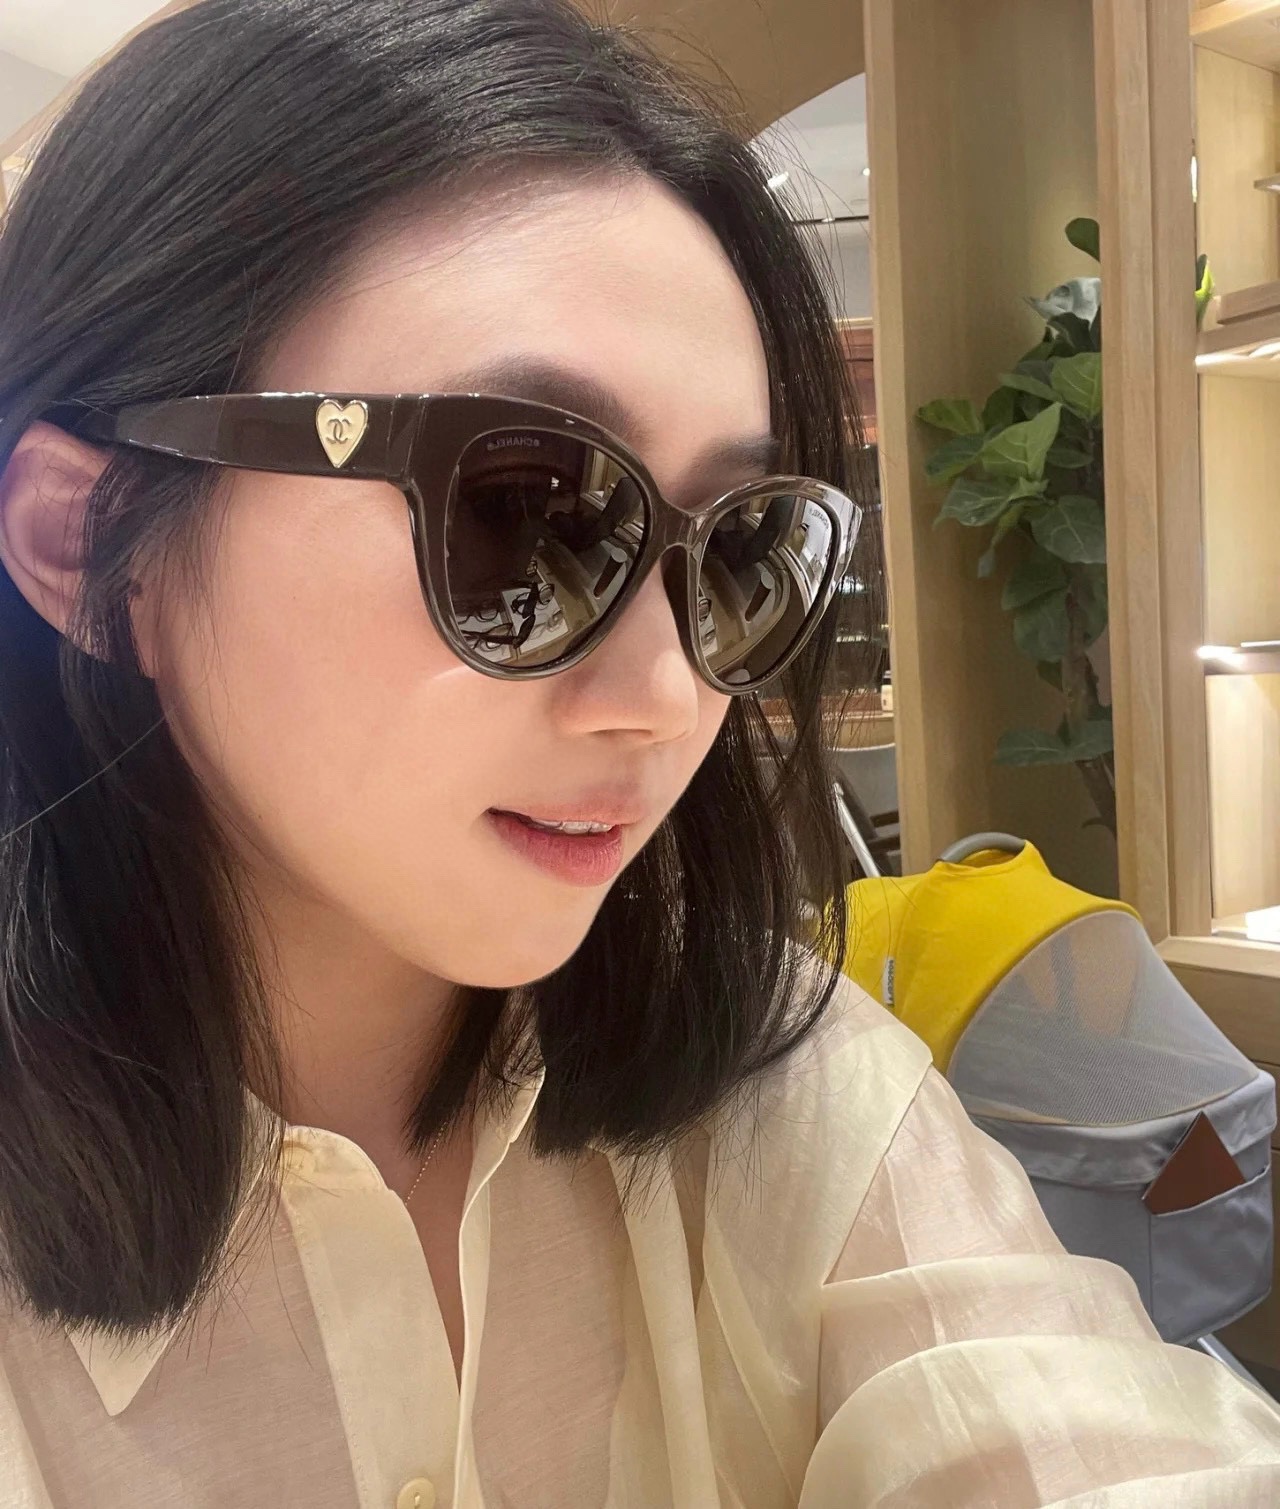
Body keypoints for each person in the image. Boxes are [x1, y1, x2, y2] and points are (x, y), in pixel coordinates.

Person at [0, 2, 1278, 1505]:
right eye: (521, 512)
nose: (668, 695)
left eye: (743, 549)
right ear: (87, 544)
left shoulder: (764, 1078)